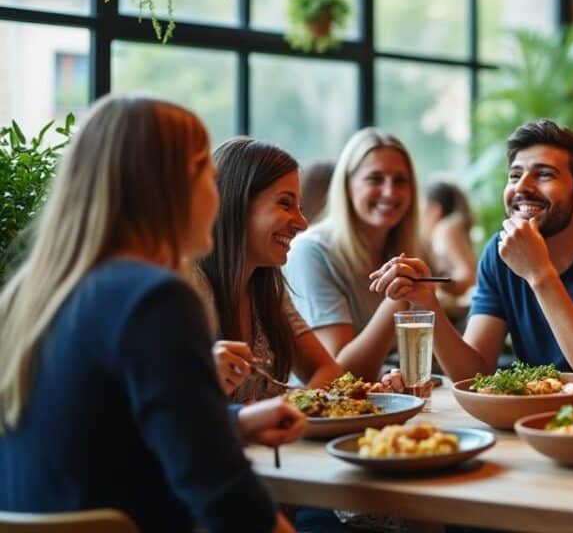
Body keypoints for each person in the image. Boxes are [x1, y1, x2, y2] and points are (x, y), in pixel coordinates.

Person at [0, 95, 304, 533]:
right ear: (166, 185)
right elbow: (227, 500)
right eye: (209, 174)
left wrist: (232, 422)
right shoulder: (154, 299)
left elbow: (105, 431)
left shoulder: (32, 295)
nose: (218, 197)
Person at [369, 120, 573, 392]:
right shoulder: (500, 254)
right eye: (515, 176)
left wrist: (539, 274)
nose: (522, 188)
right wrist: (428, 303)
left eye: (543, 175)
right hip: (534, 427)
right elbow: (474, 376)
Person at [284, 128, 438, 381]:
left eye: (400, 181)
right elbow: (339, 374)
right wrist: (398, 298)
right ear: (346, 185)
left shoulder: (407, 250)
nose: (390, 192)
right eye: (375, 179)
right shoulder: (311, 251)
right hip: (321, 413)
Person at [196, 138, 343, 402]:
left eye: (300, 207)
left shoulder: (267, 287)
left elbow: (328, 369)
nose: (302, 223)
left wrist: (289, 410)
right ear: (237, 202)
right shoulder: (189, 287)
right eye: (285, 204)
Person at [420, 180, 478, 299]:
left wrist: (439, 285)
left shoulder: (446, 228)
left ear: (435, 210)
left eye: (422, 209)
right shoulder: (448, 229)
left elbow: (469, 274)